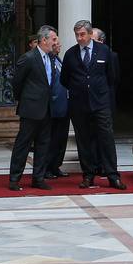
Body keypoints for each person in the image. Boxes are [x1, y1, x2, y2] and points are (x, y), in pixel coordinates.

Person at [61, 20, 125, 189]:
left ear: (90, 34)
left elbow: (112, 77)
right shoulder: (70, 54)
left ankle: (112, 175)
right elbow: (64, 79)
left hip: (101, 103)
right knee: (83, 140)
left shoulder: (104, 51)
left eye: (82, 34)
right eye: (77, 35)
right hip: (79, 105)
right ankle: (88, 175)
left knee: (106, 138)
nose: (79, 38)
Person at [9, 25, 57, 191]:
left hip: (47, 109)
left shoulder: (51, 58)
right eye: (53, 39)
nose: (55, 42)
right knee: (23, 144)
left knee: (43, 144)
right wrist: (25, 100)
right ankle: (14, 178)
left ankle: (38, 178)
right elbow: (17, 82)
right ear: (43, 40)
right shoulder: (28, 58)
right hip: (30, 109)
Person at [44, 34, 71, 178]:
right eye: (56, 42)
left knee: (61, 139)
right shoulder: (48, 61)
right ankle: (47, 167)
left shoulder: (58, 59)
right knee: (52, 139)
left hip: (64, 106)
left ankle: (56, 166)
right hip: (54, 106)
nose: (59, 45)